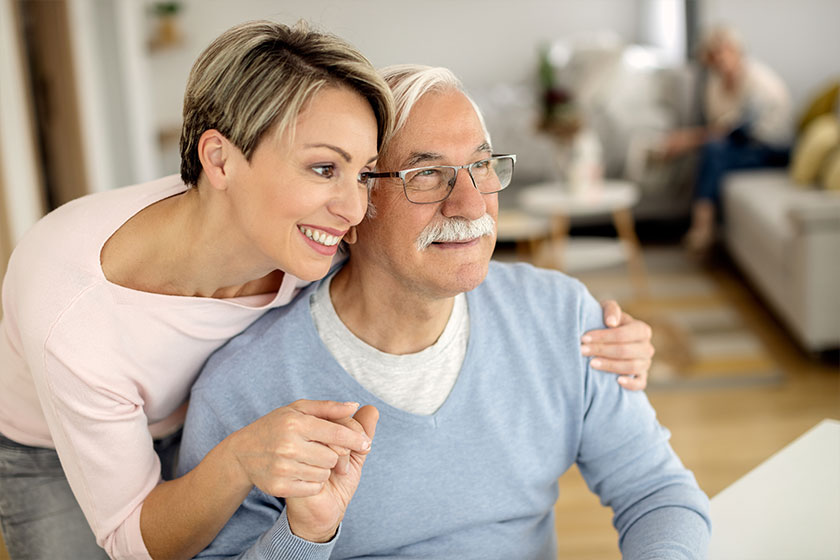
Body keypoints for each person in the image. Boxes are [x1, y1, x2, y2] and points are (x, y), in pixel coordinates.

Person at [0, 21, 653, 560]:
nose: (353, 205)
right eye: (323, 168)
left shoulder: (306, 233)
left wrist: (592, 338)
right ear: (219, 160)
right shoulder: (74, 313)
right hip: (56, 445)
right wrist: (237, 461)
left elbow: (420, 261)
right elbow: (135, 541)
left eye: (364, 172)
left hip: (208, 417)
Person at [178, 65, 710, 559]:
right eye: (426, 175)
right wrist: (305, 536)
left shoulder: (561, 317)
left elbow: (657, 491)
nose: (472, 205)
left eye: (481, 165)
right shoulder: (243, 390)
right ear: (353, 205)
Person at [662, 25, 792, 253]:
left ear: (737, 51)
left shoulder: (760, 83)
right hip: (742, 144)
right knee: (711, 152)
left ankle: (703, 227)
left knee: (713, 151)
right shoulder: (715, 83)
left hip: (772, 149)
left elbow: (733, 130)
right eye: (713, 54)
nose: (719, 60)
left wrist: (685, 140)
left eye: (724, 52)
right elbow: (718, 126)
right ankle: (704, 226)